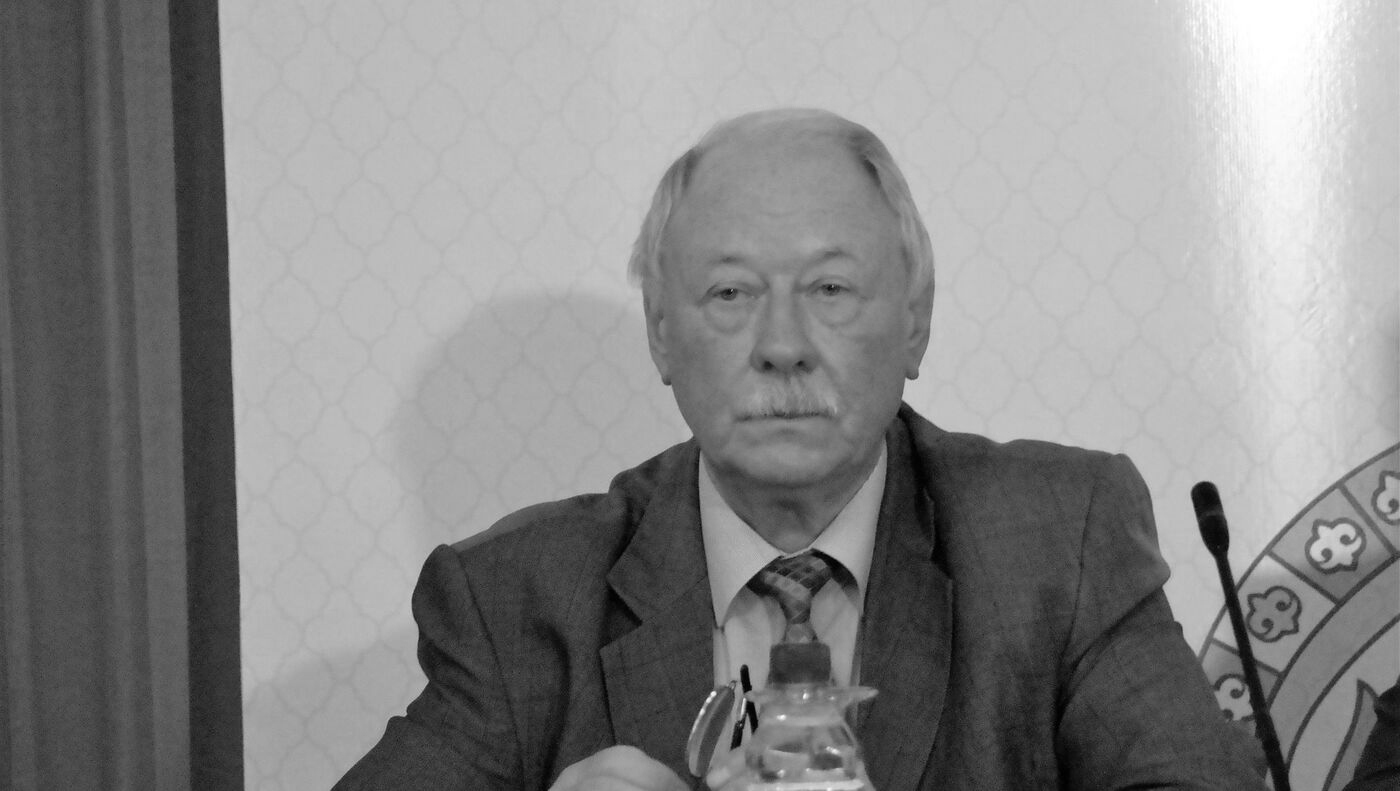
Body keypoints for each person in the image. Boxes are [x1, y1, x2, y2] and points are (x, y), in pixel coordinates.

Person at [335, 108, 1265, 790]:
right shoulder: (520, 599)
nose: (782, 345)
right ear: (661, 335)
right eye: (731, 294)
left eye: (829, 289)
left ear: (915, 322)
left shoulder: (1058, 545)